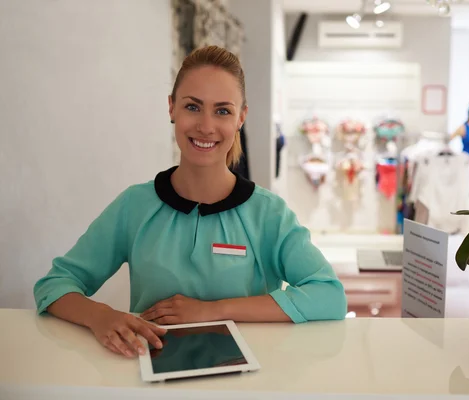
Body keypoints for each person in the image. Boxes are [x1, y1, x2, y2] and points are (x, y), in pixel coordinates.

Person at [33, 45, 348, 359]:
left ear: (241, 118)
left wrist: (211, 310)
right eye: (193, 107)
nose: (206, 126)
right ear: (172, 108)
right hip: (150, 380)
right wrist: (101, 316)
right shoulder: (135, 206)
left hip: (248, 384)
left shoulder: (268, 214)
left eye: (222, 111)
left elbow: (329, 296)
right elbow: (55, 286)